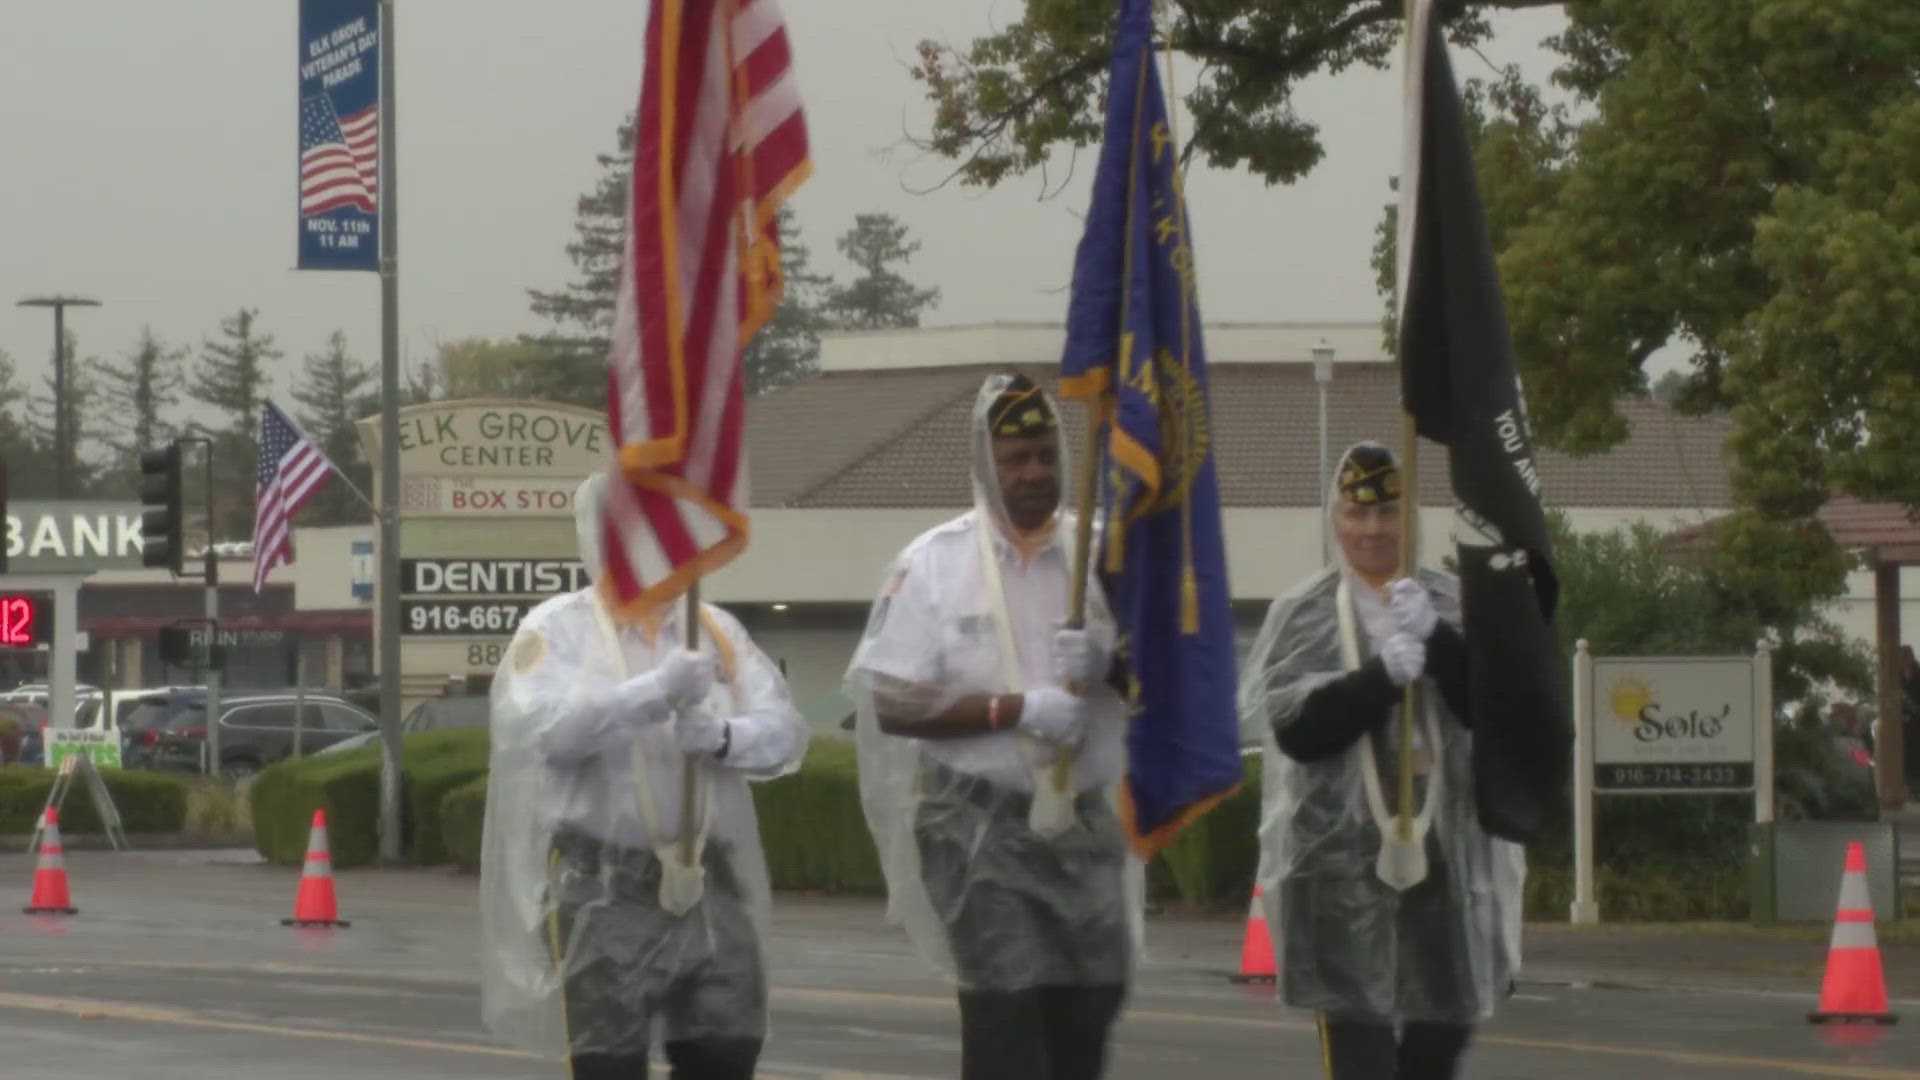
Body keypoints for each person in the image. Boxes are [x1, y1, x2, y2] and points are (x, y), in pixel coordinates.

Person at [845, 371, 1138, 1080]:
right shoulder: (936, 566)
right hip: (973, 826)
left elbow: (1173, 686)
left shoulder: (1108, 557)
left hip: (1086, 821)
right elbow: (894, 703)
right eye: (1016, 459)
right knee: (1008, 1024)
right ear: (985, 464)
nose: (1034, 472)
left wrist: (1112, 664)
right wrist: (1017, 709)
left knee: (1086, 1013)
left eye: (1044, 454)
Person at [479, 471, 810, 1079]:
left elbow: (785, 734)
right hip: (604, 880)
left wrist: (725, 736)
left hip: (713, 877)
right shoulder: (557, 629)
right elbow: (547, 733)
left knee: (725, 1049)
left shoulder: (712, 629)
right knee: (610, 1059)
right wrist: (653, 692)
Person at [1240, 441, 1524, 1080]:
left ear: (1412, 517)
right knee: (1360, 1051)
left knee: (1438, 1042)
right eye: (1356, 513)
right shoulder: (1305, 613)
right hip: (1337, 866)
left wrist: (1440, 642)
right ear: (1335, 519)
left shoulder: (1454, 603)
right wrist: (1377, 680)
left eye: (1388, 512)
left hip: (1447, 863)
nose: (1372, 529)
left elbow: (1497, 711)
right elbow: (1296, 731)